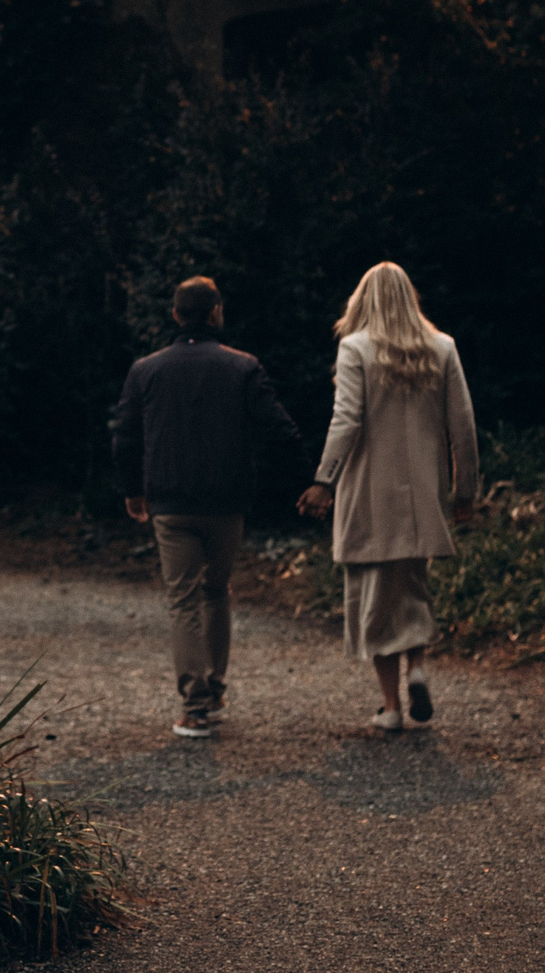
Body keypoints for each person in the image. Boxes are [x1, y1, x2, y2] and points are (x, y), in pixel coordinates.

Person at [111, 275, 304, 739]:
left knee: (183, 600)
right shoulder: (242, 367)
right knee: (216, 590)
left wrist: (133, 490)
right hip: (227, 502)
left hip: (171, 503)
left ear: (176, 315)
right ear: (216, 311)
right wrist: (309, 480)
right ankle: (214, 689)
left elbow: (125, 436)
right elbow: (279, 429)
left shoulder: (146, 370)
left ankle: (194, 707)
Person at [297, 261, 478, 733]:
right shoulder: (443, 347)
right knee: (412, 585)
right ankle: (416, 668)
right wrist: (464, 492)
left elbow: (346, 419)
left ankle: (391, 707)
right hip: (422, 496)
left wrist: (324, 480)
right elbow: (462, 426)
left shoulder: (355, 348)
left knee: (372, 596)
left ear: (363, 300)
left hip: (368, 494)